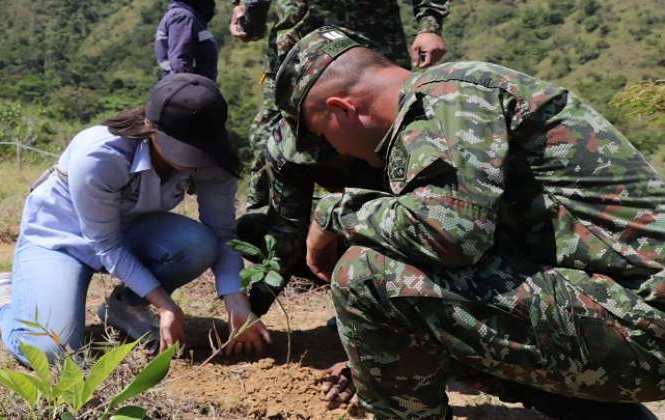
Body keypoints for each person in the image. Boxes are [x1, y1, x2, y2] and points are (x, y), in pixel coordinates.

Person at [274, 26, 665, 419]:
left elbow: (452, 235)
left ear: (343, 109)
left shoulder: (448, 96)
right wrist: (373, 359)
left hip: (645, 323)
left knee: (365, 276)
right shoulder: (442, 102)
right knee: (428, 289)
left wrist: (335, 212)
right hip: (627, 315)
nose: (335, 151)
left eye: (323, 135)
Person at [0, 73, 271, 366]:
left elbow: (222, 232)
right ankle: (8, 300)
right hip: (62, 239)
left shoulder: (212, 157)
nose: (191, 161)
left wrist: (236, 300)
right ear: (150, 125)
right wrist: (165, 305)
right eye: (182, 149)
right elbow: (106, 244)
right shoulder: (100, 153)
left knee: (199, 244)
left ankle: (125, 306)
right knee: (52, 352)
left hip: (130, 230)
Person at [228, 0, 450, 316]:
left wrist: (430, 24)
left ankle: (380, 304)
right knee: (257, 224)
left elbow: (446, 230)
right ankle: (355, 292)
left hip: (364, 69)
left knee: (386, 200)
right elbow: (286, 228)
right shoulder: (293, 132)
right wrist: (252, 308)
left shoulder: (410, 128)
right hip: (295, 70)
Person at [155, 0, 219, 80]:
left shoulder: (187, 17)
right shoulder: (183, 16)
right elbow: (179, 63)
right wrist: (186, 88)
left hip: (191, 87)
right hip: (188, 88)